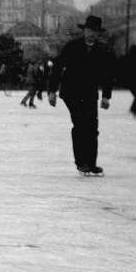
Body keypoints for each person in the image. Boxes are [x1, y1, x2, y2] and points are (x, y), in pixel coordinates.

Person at [49, 14, 114, 176]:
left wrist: (106, 96)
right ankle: (81, 163)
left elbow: (107, 74)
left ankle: (91, 163)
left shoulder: (102, 49)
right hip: (71, 92)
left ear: (99, 33)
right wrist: (51, 91)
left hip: (90, 93)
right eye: (89, 30)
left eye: (95, 31)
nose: (92, 33)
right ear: (84, 30)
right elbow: (57, 67)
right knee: (80, 125)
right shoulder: (72, 46)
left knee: (92, 127)